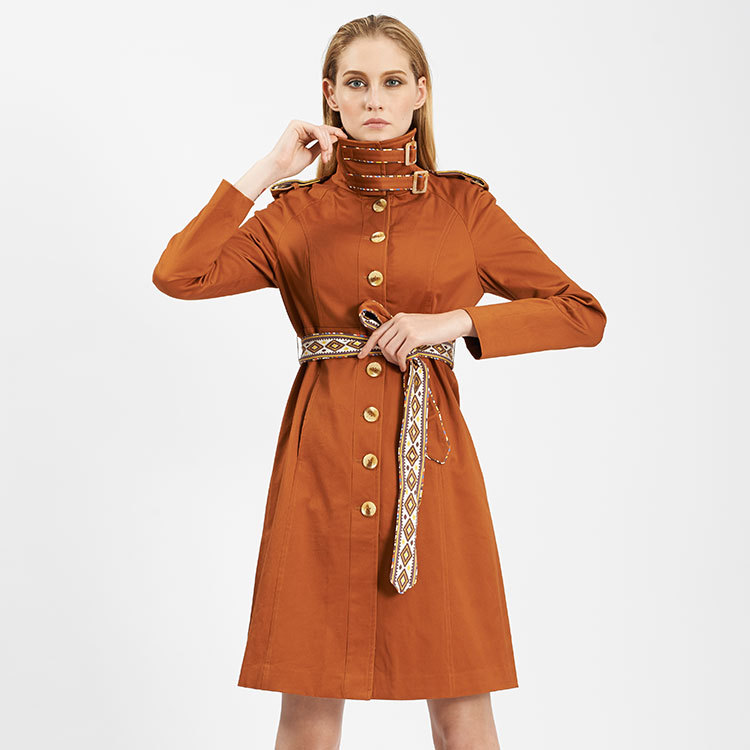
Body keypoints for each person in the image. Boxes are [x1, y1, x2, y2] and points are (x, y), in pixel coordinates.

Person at [151, 13, 606, 750]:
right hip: (319, 476)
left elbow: (581, 313)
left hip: (435, 481)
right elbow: (179, 275)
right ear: (329, 95)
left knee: (461, 710)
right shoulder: (295, 215)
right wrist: (268, 169)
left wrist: (453, 322)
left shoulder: (464, 209)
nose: (374, 99)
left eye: (392, 82)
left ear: (420, 92)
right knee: (307, 713)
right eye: (356, 83)